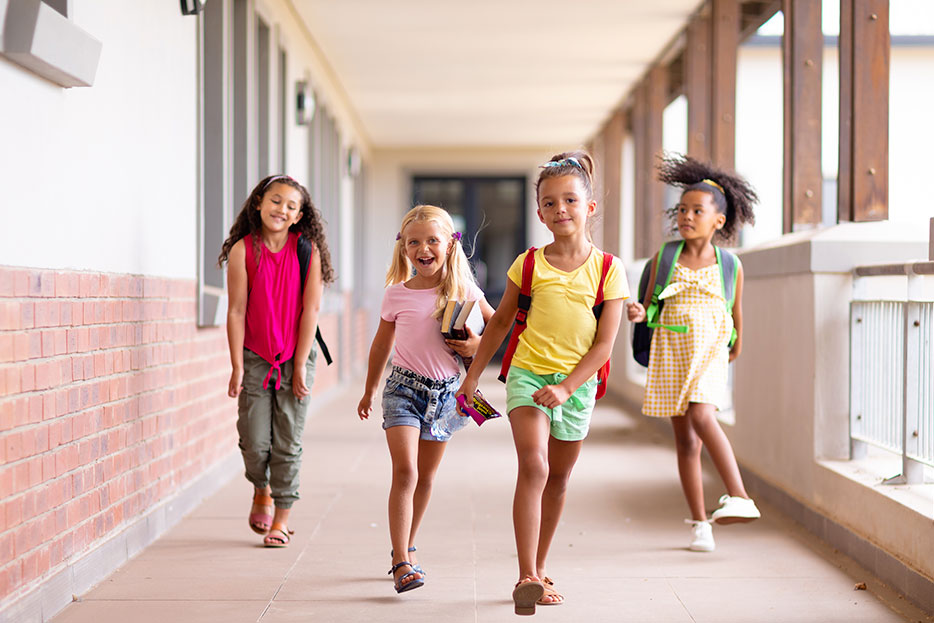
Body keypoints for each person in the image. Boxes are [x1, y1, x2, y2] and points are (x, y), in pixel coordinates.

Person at [456, 152, 628, 615]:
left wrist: (569, 388)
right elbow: (498, 326)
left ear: (590, 207)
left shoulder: (609, 269)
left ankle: (542, 565)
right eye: (549, 203)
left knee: (559, 476)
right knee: (533, 466)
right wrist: (472, 379)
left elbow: (603, 347)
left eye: (570, 199)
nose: (560, 210)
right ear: (539, 213)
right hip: (528, 377)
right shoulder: (528, 264)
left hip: (577, 385)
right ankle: (526, 575)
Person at [357, 205, 495, 594]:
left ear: (450, 246)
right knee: (406, 473)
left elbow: (499, 329)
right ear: (404, 249)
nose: (424, 248)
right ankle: (401, 560)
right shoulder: (395, 294)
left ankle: (409, 545)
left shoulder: (465, 291)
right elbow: (382, 343)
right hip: (402, 390)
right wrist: (369, 389)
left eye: (432, 240)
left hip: (448, 395)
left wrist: (476, 343)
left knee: (427, 476)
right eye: (414, 241)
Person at [627, 154, 761, 553]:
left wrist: (733, 347)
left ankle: (739, 496)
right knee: (686, 443)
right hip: (672, 354)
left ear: (718, 220)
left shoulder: (730, 264)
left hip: (709, 355)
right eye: (682, 209)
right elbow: (647, 307)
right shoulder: (664, 259)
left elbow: (735, 315)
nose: (686, 216)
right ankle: (700, 523)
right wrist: (637, 312)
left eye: (696, 210)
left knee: (703, 415)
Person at [219, 174, 334, 547]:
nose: (281, 209)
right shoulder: (243, 250)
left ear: (300, 216)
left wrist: (300, 364)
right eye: (275, 201)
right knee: (254, 440)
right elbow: (236, 311)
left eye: (291, 206)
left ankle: (281, 519)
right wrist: (237, 365)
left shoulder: (306, 250)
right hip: (254, 357)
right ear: (258, 203)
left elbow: (310, 310)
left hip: (296, 356)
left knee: (287, 440)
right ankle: (262, 488)